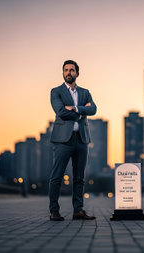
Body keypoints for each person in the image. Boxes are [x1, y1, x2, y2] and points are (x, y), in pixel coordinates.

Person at [48, 60, 97, 221]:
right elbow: (61, 112)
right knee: (57, 176)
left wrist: (76, 108)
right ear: (63, 73)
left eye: (72, 70)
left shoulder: (85, 92)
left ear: (77, 73)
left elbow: (94, 109)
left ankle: (78, 210)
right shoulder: (56, 91)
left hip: (81, 139)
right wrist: (83, 111)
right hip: (63, 140)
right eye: (66, 70)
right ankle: (54, 211)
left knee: (79, 178)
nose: (69, 72)